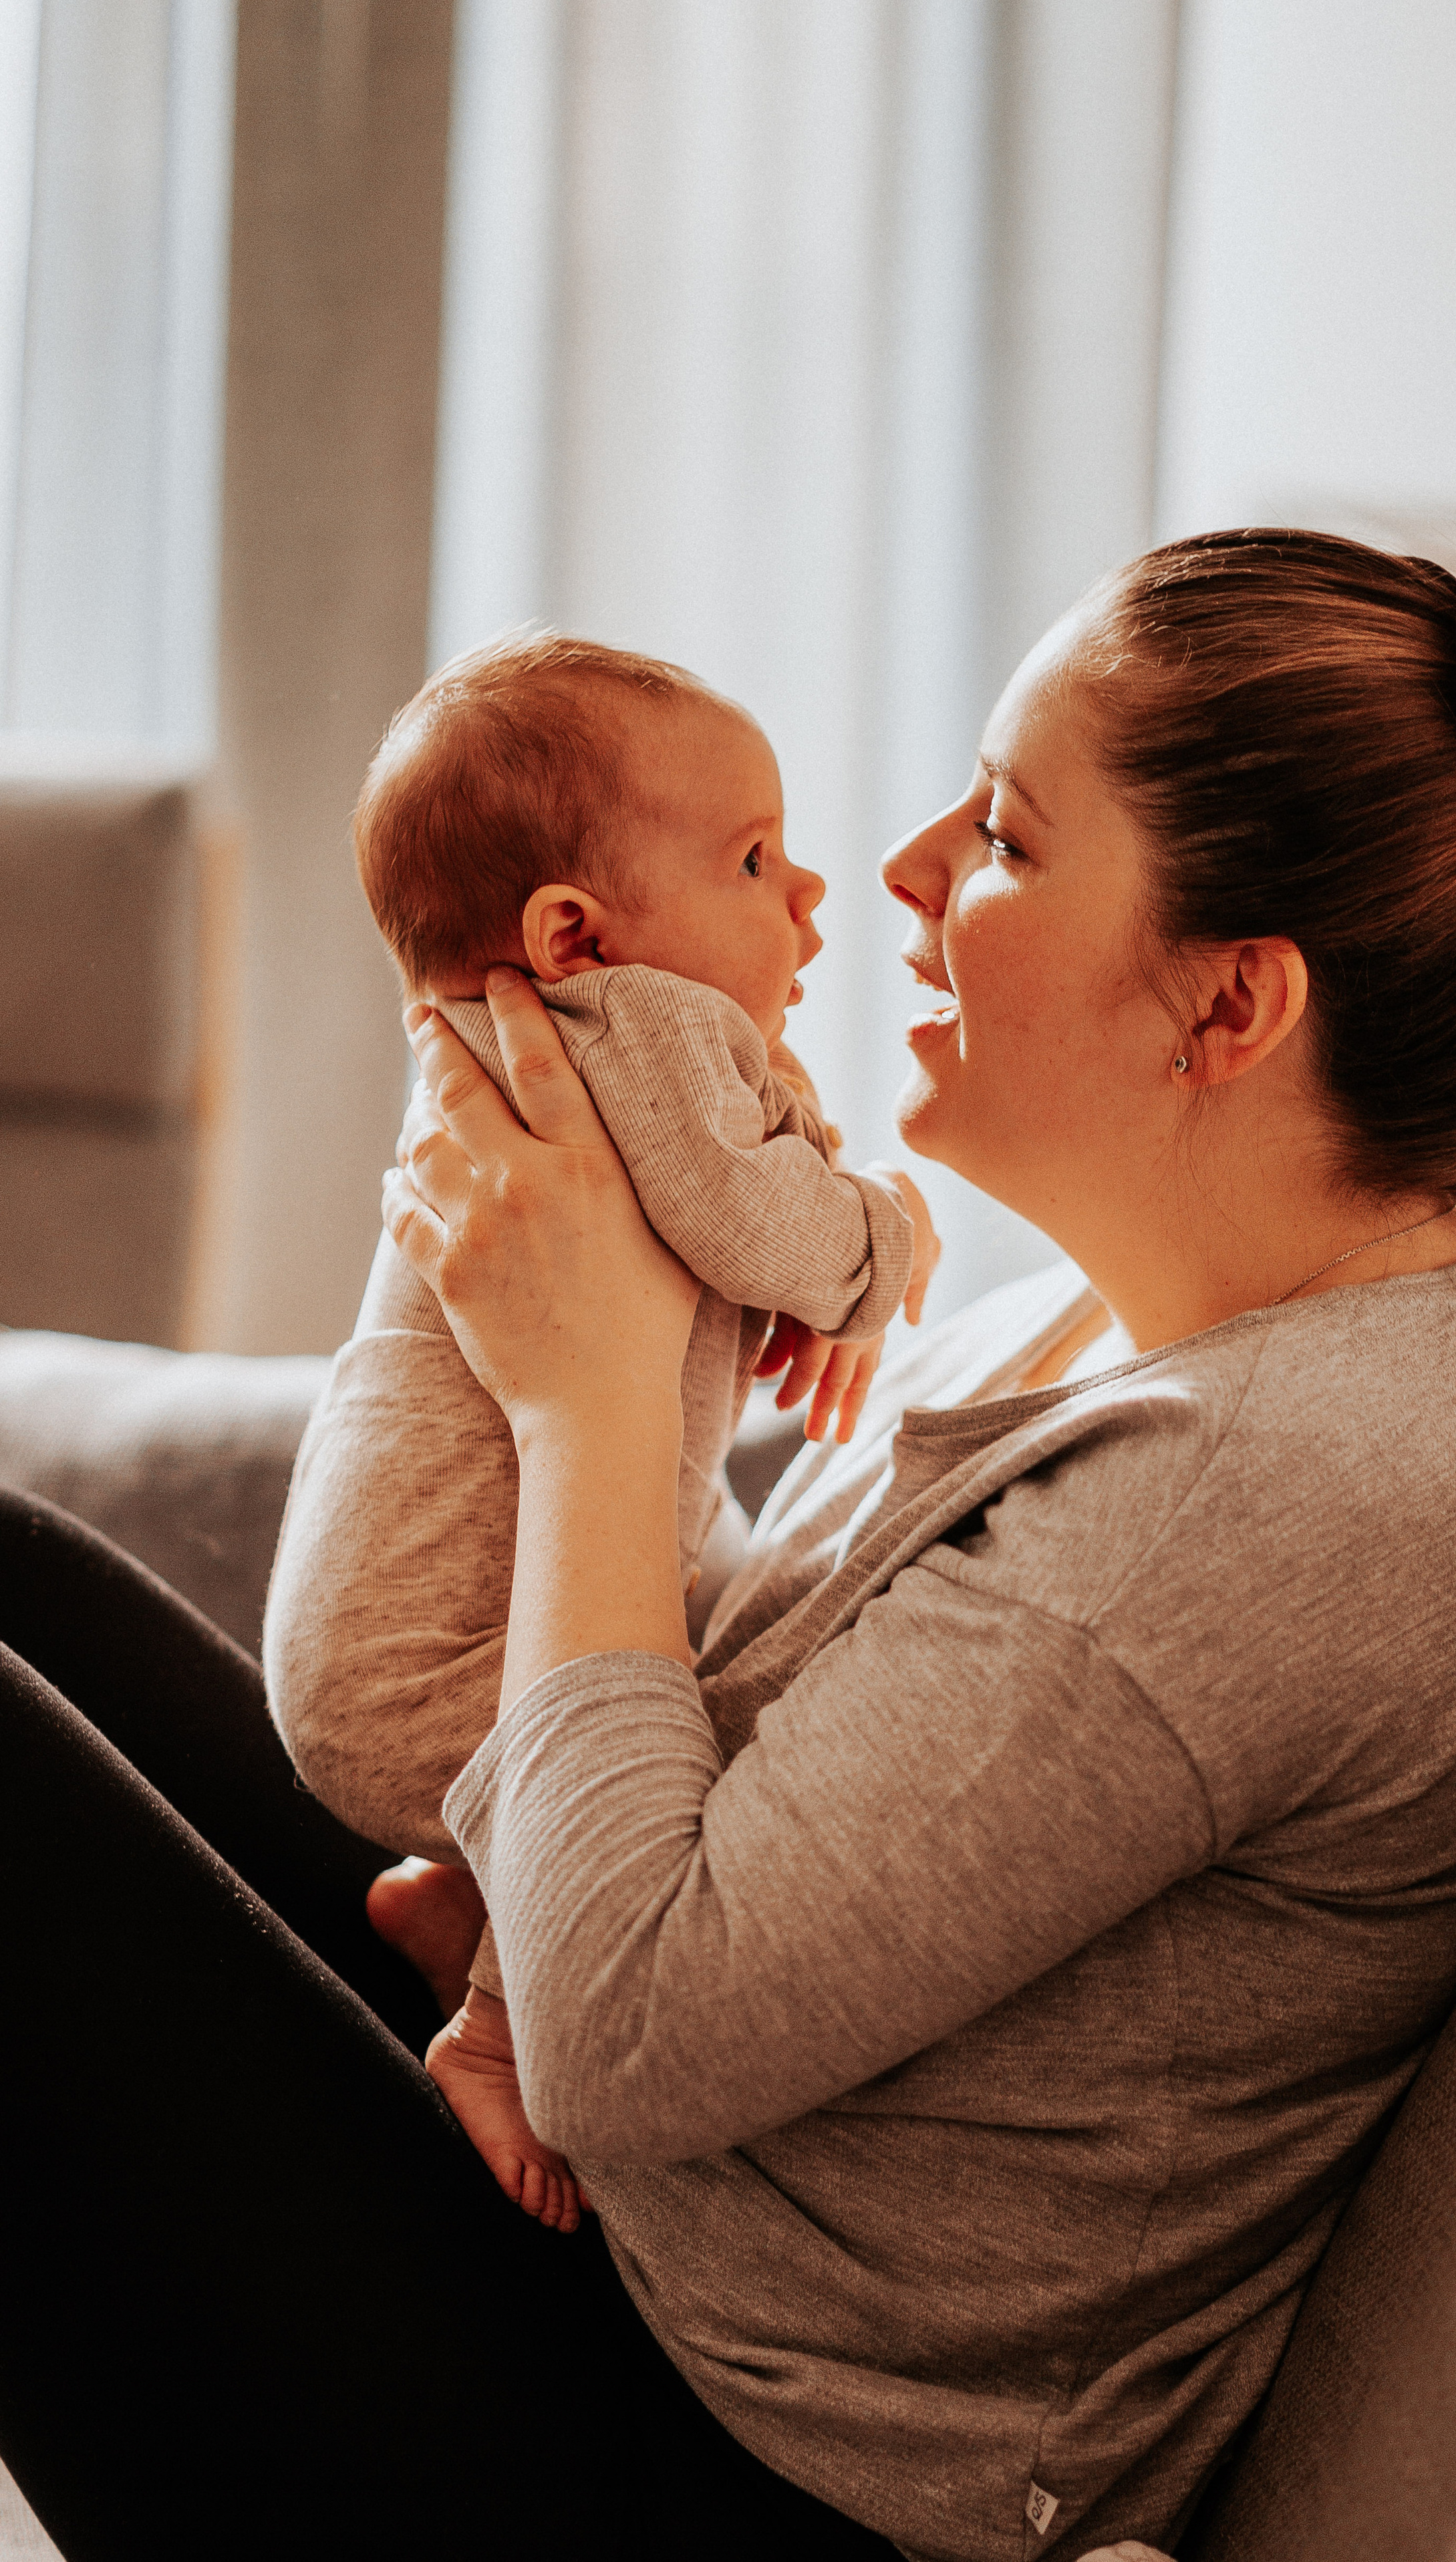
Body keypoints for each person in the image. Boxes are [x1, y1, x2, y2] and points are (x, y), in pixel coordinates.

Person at [3, 492, 1456, 2562]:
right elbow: (749, 1751)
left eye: (1001, 836)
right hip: (641, 2229)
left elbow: (633, 2032)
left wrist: (594, 1391)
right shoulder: (1123, 1323)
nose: (897, 871)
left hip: (706, 2458)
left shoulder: (1269, 1496)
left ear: (1231, 1006)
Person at [265, 630, 937, 2225]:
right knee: (688, 1733)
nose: (813, 895)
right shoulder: (627, 1023)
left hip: (384, 1636)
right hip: (438, 1654)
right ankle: (503, 2027)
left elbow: (708, 1214)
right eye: (755, 857)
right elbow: (752, 1216)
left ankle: (462, 1905)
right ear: (572, 931)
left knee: (685, 1673)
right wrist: (880, 1245)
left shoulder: (567, 1041)